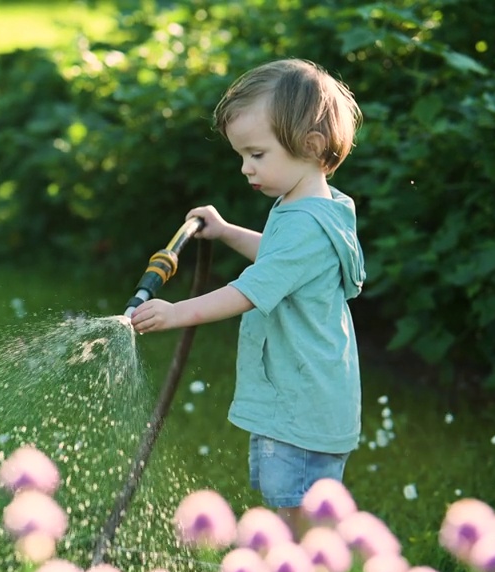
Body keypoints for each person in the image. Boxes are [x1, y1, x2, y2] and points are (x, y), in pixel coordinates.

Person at [129, 58, 365, 539]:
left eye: (256, 154)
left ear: (311, 145)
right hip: (309, 394)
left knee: (299, 521)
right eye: (241, 155)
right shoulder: (316, 209)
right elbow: (284, 263)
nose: (245, 168)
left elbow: (251, 290)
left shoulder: (306, 224)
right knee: (298, 515)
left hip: (302, 404)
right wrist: (228, 232)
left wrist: (176, 313)